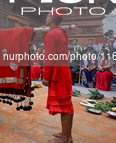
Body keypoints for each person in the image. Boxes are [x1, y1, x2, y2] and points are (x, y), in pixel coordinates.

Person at [35, 8, 73, 143]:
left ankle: (66, 138)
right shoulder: (62, 31)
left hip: (59, 72)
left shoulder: (53, 34)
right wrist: (46, 34)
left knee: (65, 105)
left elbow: (49, 57)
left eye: (47, 17)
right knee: (66, 103)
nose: (45, 19)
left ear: (51, 19)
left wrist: (46, 76)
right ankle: (66, 134)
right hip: (64, 69)